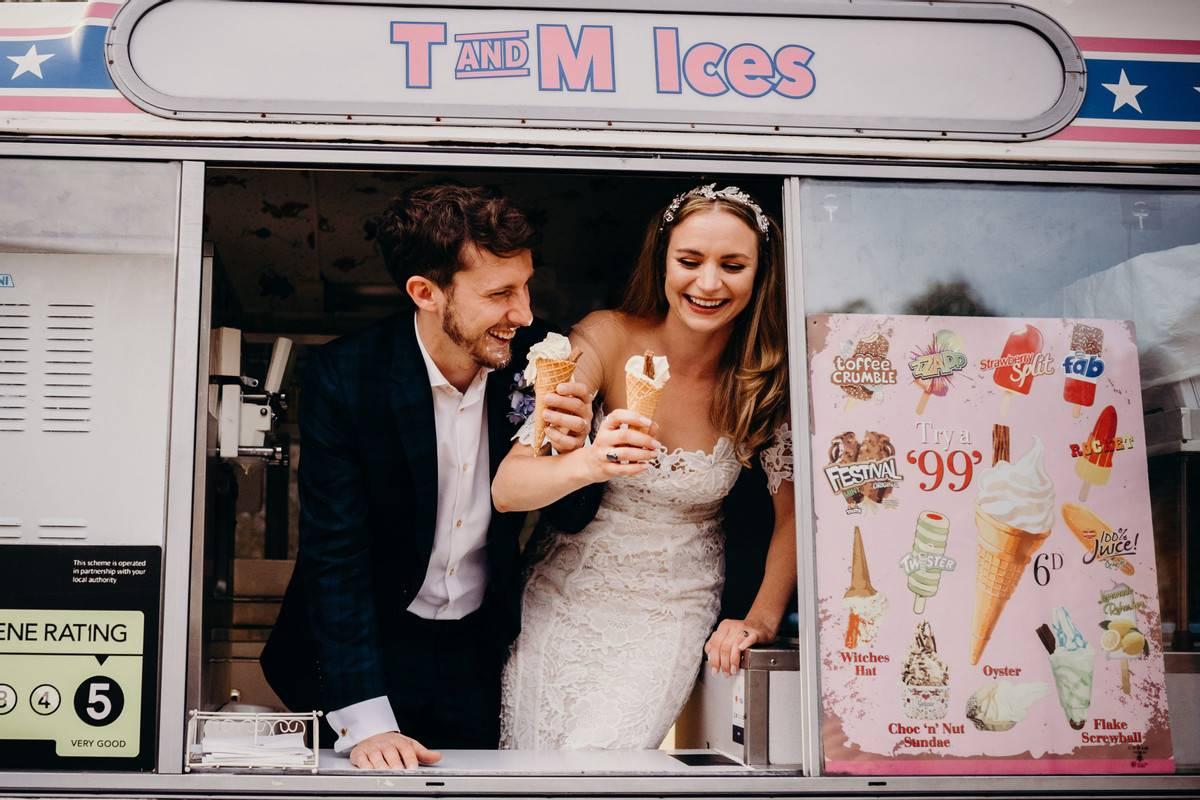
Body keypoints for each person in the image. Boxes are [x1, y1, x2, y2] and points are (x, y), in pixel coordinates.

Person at [261, 183, 595, 768]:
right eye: (500, 293)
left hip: (479, 651)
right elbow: (334, 554)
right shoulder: (345, 377)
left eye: (525, 286)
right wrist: (366, 723)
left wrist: (575, 454)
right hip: (360, 653)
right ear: (425, 293)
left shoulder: (541, 357)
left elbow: (572, 519)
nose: (523, 313)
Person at [492, 183, 796, 749]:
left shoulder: (765, 377)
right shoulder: (605, 337)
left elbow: (794, 516)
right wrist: (591, 458)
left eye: (733, 266)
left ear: (760, 275)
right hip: (563, 598)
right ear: (662, 262)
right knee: (533, 763)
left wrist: (760, 619)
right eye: (690, 261)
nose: (709, 283)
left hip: (672, 610)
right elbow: (509, 488)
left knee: (603, 762)